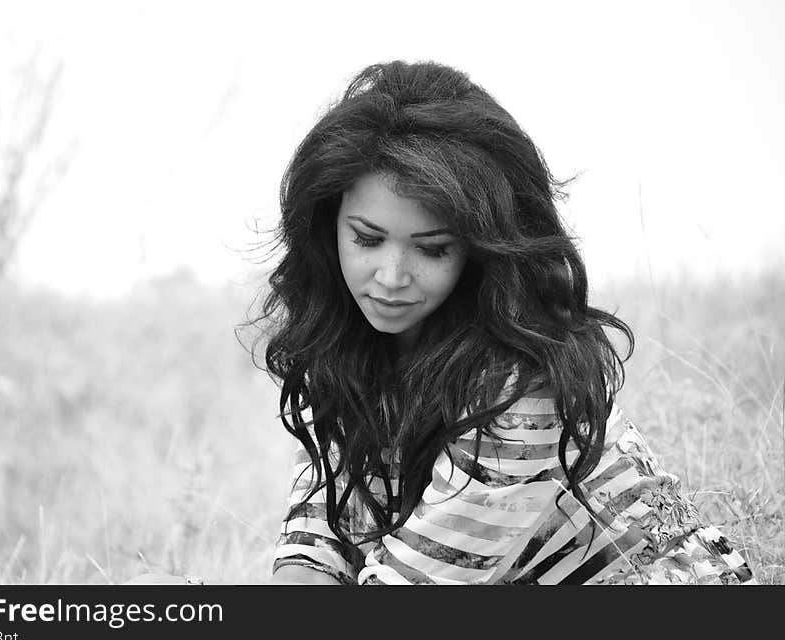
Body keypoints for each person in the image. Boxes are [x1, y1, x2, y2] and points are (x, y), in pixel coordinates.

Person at [255, 60, 755, 585]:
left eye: (432, 248)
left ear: (481, 249)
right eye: (367, 238)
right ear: (325, 224)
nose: (392, 277)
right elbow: (315, 546)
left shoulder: (520, 391)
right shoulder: (345, 350)